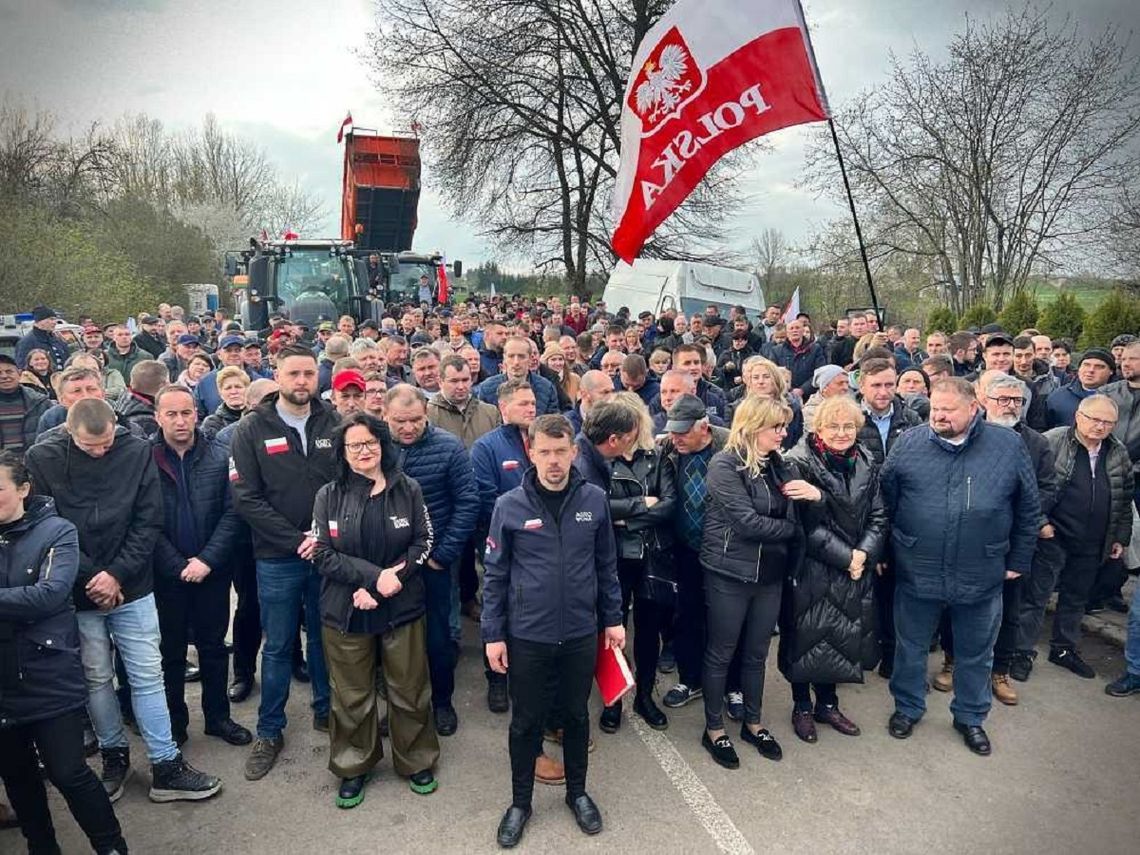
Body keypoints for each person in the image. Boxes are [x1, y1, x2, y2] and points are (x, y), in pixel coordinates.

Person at [25, 399, 223, 801]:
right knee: (96, 677)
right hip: (77, 590)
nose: (100, 452)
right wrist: (91, 577)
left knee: (146, 675)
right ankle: (114, 755)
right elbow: (47, 526)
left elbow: (148, 518)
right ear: (69, 432)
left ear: (115, 428)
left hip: (133, 583)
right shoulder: (42, 458)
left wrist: (116, 573)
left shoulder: (133, 450)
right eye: (88, 446)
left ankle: (165, 763)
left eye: (105, 443)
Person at [482, 414, 623, 848]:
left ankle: (576, 793)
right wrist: (493, 634)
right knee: (525, 722)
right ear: (531, 452)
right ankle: (520, 803)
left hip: (581, 632)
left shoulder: (595, 499)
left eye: (561, 451)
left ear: (574, 452)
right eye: (544, 452)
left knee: (577, 716)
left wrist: (614, 618)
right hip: (528, 635)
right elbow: (495, 575)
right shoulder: (509, 506)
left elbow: (606, 566)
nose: (553, 461)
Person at [880, 377, 1039, 756]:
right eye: (935, 408)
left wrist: (1018, 559)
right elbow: (884, 501)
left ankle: (970, 717)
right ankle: (907, 708)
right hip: (918, 566)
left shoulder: (1007, 445)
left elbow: (1029, 508)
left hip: (981, 570)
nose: (939, 416)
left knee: (975, 652)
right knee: (911, 647)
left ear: (973, 408)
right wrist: (885, 553)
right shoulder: (909, 443)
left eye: (948, 410)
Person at [0, 450, 129, 855]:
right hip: (2, 685)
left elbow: (49, 594)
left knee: (69, 772)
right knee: (18, 777)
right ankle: (42, 847)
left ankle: (111, 847)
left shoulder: (57, 531)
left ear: (24, 489)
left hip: (48, 674)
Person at [311, 412, 440, 807]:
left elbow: (424, 541)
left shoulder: (409, 489)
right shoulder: (328, 495)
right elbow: (321, 552)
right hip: (346, 608)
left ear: (382, 445)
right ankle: (353, 766)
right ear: (343, 452)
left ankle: (416, 758)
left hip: (401, 603)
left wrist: (390, 583)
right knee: (351, 694)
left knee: (409, 688)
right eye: (355, 445)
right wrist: (372, 579)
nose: (364, 451)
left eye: (370, 442)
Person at [229, 344, 338, 781]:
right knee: (276, 647)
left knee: (326, 638)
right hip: (277, 557)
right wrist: (296, 541)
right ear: (277, 375)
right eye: (293, 373)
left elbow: (347, 483)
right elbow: (245, 498)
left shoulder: (334, 422)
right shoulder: (252, 428)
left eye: (309, 373)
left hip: (329, 553)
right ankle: (269, 730)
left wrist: (325, 538)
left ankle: (327, 711)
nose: (302, 382)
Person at [935, 372, 1055, 705]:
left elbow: (1045, 489)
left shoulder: (1035, 443)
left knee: (1007, 610)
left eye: (1016, 400)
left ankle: (998, 671)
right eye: (1002, 398)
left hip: (1012, 539)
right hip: (965, 542)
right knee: (955, 606)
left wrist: (1015, 514)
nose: (1009, 405)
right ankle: (951, 660)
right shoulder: (966, 437)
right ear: (983, 402)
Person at [699, 396, 803, 770]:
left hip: (769, 574)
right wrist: (791, 530)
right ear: (754, 425)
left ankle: (753, 723)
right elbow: (747, 523)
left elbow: (800, 508)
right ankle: (713, 728)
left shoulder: (781, 465)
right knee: (721, 651)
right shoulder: (724, 464)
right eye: (776, 426)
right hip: (730, 572)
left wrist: (802, 510)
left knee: (758, 653)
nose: (783, 433)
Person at [781, 396, 886, 743]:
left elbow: (879, 515)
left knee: (839, 637)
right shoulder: (798, 462)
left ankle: (828, 703)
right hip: (813, 566)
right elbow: (802, 527)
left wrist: (864, 554)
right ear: (818, 428)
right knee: (806, 637)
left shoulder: (868, 460)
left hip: (853, 565)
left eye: (848, 426)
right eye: (834, 426)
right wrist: (848, 557)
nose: (842, 433)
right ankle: (802, 707)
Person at [151, 385, 251, 748]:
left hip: (212, 570)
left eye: (187, 412)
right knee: (171, 652)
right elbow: (144, 519)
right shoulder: (145, 459)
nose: (181, 421)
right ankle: (176, 722)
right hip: (167, 574)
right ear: (158, 417)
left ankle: (217, 717)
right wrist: (176, 565)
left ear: (196, 413)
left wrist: (207, 560)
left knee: (212, 647)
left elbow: (233, 512)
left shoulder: (220, 455)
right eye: (172, 414)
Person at [386, 385, 478, 736]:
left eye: (415, 420)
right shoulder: (376, 447)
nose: (408, 428)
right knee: (394, 640)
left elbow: (467, 502)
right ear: (385, 416)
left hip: (434, 563)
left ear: (426, 414)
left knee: (438, 638)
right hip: (390, 564)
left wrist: (443, 554)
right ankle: (401, 704)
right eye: (399, 422)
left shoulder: (448, 447)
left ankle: (442, 703)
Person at [595, 394, 677, 732]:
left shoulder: (657, 458)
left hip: (651, 554)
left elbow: (670, 505)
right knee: (612, 631)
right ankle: (612, 700)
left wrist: (626, 519)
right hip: (615, 557)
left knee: (648, 632)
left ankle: (645, 695)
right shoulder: (602, 461)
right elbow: (600, 507)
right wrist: (640, 505)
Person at [1038, 396, 1132, 679]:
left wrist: (1120, 536)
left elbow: (1124, 497)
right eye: (1094, 419)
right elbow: (1029, 485)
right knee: (1035, 596)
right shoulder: (1052, 441)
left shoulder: (1118, 452)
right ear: (1078, 416)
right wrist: (1040, 522)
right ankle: (1019, 652)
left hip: (1094, 539)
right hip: (1052, 535)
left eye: (1107, 422)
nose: (1100, 426)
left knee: (1075, 598)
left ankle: (1063, 648)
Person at [427, 354, 501, 448]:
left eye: (465, 380)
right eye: (454, 381)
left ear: (471, 380)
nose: (461, 387)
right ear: (440, 382)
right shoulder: (428, 414)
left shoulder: (490, 413)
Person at [475, 337, 561, 415]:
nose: (516, 362)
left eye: (521, 356)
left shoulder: (547, 388)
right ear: (504, 358)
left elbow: (552, 424)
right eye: (511, 356)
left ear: (530, 359)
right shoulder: (486, 388)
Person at [1046, 348, 1116, 428]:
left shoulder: (1120, 397)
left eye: (1099, 367)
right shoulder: (1057, 397)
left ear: (1111, 371)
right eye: (1086, 365)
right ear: (1079, 368)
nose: (1091, 370)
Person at [0, 354, 52, 454]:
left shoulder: (40, 402)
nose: (4, 376)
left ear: (19, 373)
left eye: (9, 371)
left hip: (33, 462)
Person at [16, 306, 71, 371]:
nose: (55, 322)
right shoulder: (27, 342)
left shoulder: (57, 340)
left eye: (55, 319)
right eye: (51, 319)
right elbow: (22, 366)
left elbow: (68, 361)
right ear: (40, 321)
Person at [200, 365, 250, 437]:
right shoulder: (212, 424)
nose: (233, 391)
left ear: (247, 389)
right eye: (228, 388)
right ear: (220, 393)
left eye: (238, 387)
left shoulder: (257, 419)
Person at [801, 364, 851, 434]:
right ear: (824, 387)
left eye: (847, 383)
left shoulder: (853, 408)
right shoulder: (810, 412)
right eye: (840, 383)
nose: (846, 388)